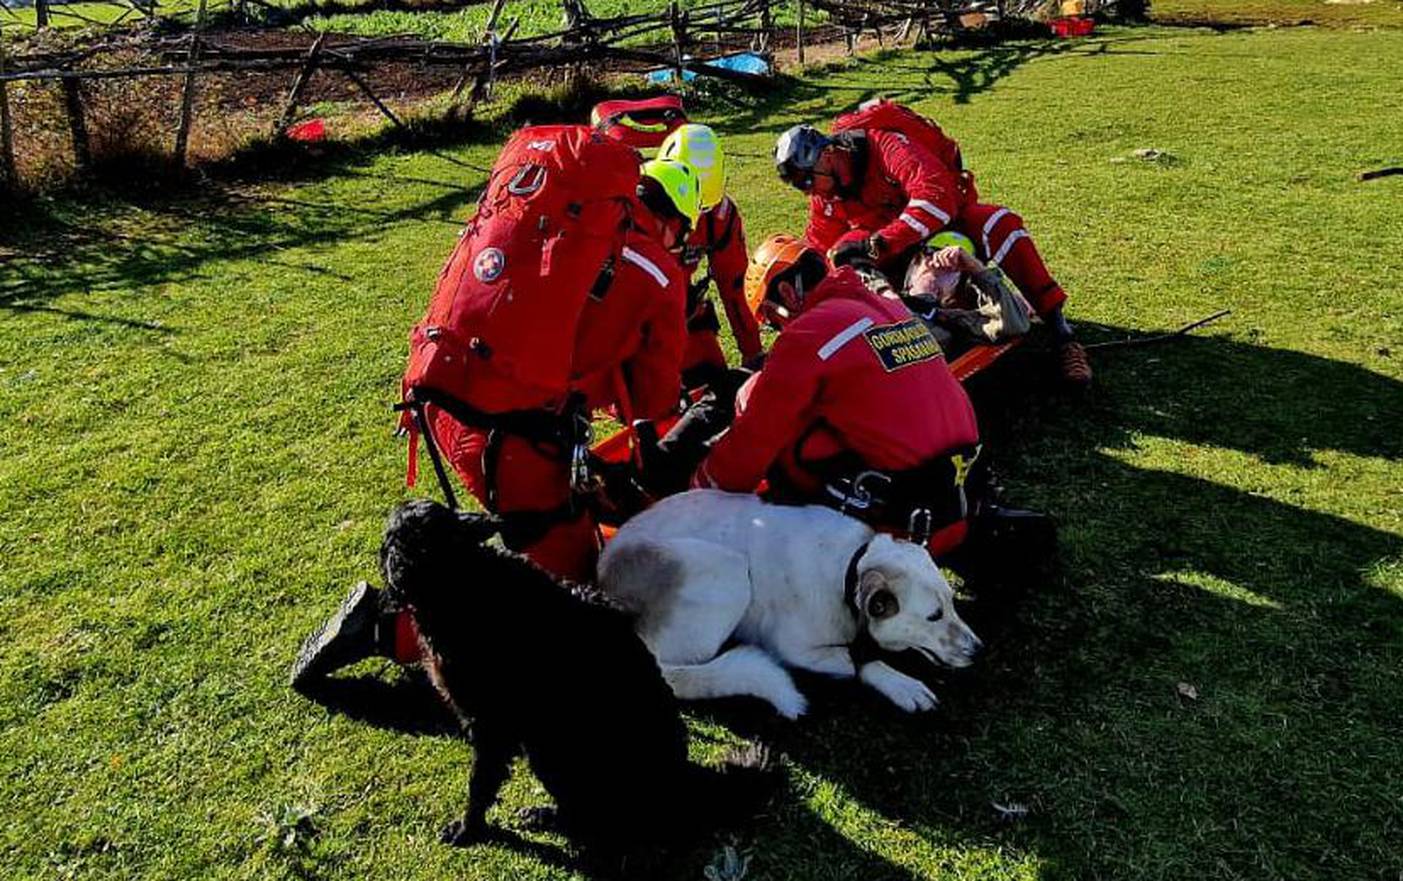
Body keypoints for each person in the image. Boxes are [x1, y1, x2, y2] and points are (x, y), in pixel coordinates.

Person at [289, 159, 699, 689]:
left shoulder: (554, 222)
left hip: (441, 397)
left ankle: (415, 609)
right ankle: (386, 630)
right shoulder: (660, 274)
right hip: (511, 440)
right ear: (674, 222)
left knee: (531, 545)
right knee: (564, 589)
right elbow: (654, 397)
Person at [690, 234, 984, 557]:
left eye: (773, 322)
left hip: (902, 527)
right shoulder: (889, 308)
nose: (778, 332)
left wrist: (700, 497)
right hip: (960, 499)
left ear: (787, 293)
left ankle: (810, 542)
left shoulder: (809, 334)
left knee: (755, 397)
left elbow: (753, 440)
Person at [774, 99, 1093, 387]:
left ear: (828, 155)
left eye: (807, 179)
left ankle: (1062, 333)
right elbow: (819, 244)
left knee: (1000, 224)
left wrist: (879, 244)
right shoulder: (825, 194)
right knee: (842, 253)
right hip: (898, 255)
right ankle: (896, 330)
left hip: (943, 230)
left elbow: (937, 197)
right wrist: (798, 300)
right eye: (799, 186)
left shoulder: (887, 146)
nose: (808, 191)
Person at [657, 123, 764, 388]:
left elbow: (735, 286)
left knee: (714, 380)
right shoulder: (637, 210)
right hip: (635, 321)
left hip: (683, 312)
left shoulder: (719, 219)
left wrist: (753, 354)